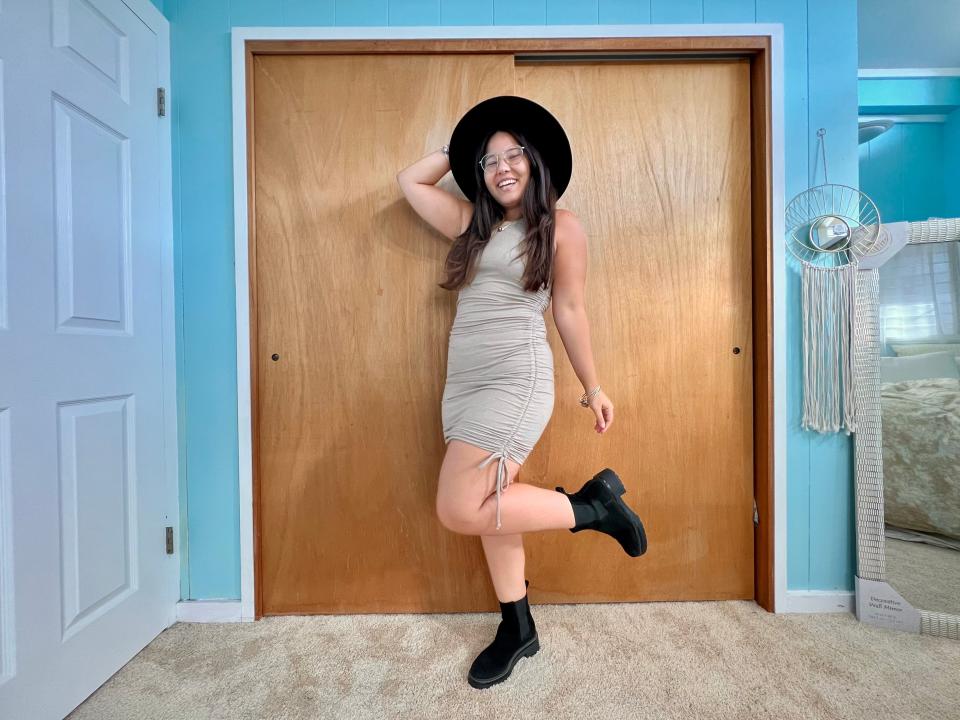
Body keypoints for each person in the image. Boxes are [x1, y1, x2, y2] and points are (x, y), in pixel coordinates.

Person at [396, 95, 647, 690]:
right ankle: (518, 628)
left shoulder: (561, 226)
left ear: (535, 162)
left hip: (516, 378)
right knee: (492, 506)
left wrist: (593, 386)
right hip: (463, 383)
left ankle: (592, 509)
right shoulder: (474, 222)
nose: (502, 168)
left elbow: (570, 308)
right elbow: (409, 181)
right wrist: (461, 148)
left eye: (513, 155)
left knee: (459, 507)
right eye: (488, 161)